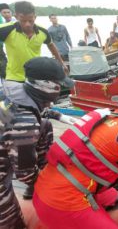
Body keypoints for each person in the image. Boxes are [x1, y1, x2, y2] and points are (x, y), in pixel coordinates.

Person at [33, 83, 118, 229]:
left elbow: (102, 143)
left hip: (45, 186)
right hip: (62, 202)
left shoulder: (104, 116)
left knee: (113, 196)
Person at [0, 57, 75, 229]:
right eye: (58, 84)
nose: (61, 88)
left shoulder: (14, 87)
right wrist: (51, 186)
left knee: (45, 124)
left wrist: (59, 116)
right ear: (46, 85)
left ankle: (41, 172)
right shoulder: (25, 123)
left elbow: (34, 108)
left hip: (4, 133)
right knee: (12, 222)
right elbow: (24, 173)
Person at [0, 1, 66, 83]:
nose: (27, 24)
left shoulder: (43, 31)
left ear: (35, 17)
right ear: (16, 17)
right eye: (23, 21)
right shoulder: (6, 29)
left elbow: (51, 44)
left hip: (35, 77)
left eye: (30, 20)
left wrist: (61, 63)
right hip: (14, 78)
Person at [0, 3, 16, 78]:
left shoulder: (15, 21)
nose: (7, 14)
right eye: (4, 13)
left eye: (8, 12)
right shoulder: (1, 23)